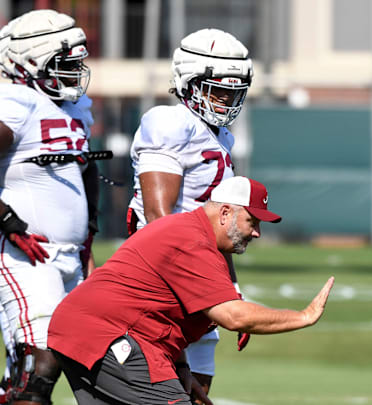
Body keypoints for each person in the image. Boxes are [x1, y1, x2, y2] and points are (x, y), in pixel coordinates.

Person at [49, 176, 335, 405]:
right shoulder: (192, 241)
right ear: (226, 213)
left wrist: (182, 368)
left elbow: (164, 314)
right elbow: (233, 317)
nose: (257, 232)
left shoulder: (193, 234)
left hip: (87, 333)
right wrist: (304, 316)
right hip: (108, 336)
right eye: (253, 221)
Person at [0, 9, 99, 405]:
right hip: (23, 251)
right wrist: (10, 223)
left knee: (65, 363)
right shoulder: (13, 101)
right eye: (65, 64)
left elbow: (85, 176)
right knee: (42, 362)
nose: (75, 73)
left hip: (68, 255)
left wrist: (87, 243)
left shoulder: (73, 109)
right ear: (30, 62)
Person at [126, 28, 254, 402]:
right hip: (168, 274)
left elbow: (221, 231)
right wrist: (194, 283)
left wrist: (231, 292)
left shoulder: (220, 137)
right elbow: (158, 214)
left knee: (197, 392)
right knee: (165, 392)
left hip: (199, 274)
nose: (226, 101)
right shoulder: (169, 122)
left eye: (234, 92)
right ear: (187, 81)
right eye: (217, 90)